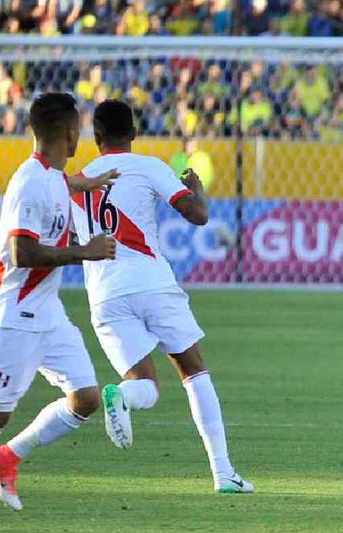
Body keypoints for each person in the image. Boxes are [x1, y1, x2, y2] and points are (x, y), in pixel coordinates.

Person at [0, 92, 118, 531]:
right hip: (13, 315)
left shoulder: (52, 174)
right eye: (79, 130)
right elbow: (20, 251)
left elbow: (60, 186)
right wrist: (83, 252)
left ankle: (7, 457)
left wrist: (82, 185)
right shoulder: (30, 182)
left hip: (46, 313)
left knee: (86, 397)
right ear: (70, 133)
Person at [69, 100, 254, 493]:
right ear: (133, 135)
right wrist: (197, 192)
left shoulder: (77, 181)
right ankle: (223, 473)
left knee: (145, 388)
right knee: (193, 370)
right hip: (151, 282)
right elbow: (197, 215)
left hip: (103, 294)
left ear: (95, 137)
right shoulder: (149, 166)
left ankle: (124, 395)